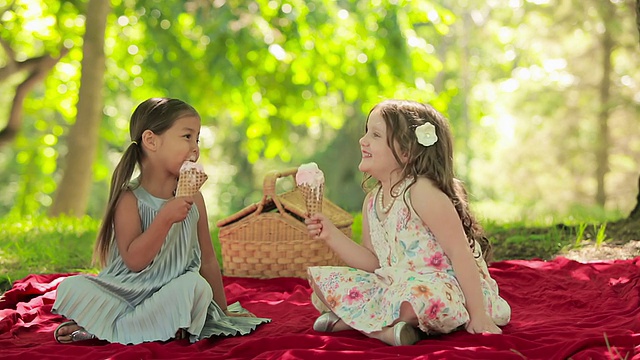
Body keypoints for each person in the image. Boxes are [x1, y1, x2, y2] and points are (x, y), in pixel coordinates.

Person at [52, 98, 270, 344]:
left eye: (197, 139)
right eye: (187, 136)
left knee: (195, 287)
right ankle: (145, 327)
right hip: (126, 295)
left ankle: (109, 329)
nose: (195, 147)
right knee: (72, 286)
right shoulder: (129, 198)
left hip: (169, 295)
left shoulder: (195, 198)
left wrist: (223, 310)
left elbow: (207, 259)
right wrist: (165, 217)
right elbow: (134, 261)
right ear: (151, 140)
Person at [305, 99, 511, 346]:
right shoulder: (372, 201)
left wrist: (479, 315)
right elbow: (374, 263)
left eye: (376, 135)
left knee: (414, 301)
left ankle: (360, 324)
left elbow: (460, 252)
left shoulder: (421, 191)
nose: (363, 140)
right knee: (322, 284)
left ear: (406, 152)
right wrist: (330, 234)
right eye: (366, 131)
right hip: (394, 285)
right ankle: (393, 330)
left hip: (441, 287)